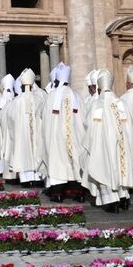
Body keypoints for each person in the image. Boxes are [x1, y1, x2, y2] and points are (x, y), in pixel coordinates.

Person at [82, 70, 133, 210]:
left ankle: (111, 201)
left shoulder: (97, 104)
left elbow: (88, 125)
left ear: (98, 87)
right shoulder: (122, 103)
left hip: (103, 145)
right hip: (122, 144)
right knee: (120, 166)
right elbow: (129, 126)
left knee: (105, 168)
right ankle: (124, 197)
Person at [41, 66, 83, 194]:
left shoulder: (52, 96)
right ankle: (78, 191)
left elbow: (45, 118)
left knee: (57, 160)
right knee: (75, 161)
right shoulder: (77, 96)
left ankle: (57, 193)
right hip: (75, 138)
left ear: (57, 82)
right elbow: (83, 119)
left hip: (56, 138)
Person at [7, 69, 45, 184]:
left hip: (21, 134)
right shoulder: (39, 100)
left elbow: (10, 117)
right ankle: (37, 178)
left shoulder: (16, 101)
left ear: (22, 86)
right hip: (37, 134)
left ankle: (26, 179)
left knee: (23, 151)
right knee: (35, 150)